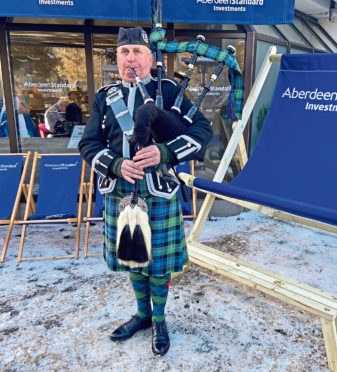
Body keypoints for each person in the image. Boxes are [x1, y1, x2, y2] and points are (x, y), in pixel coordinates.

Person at [78, 27, 212, 356]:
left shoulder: (168, 90)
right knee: (132, 259)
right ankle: (142, 314)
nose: (130, 59)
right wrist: (114, 164)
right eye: (124, 53)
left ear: (151, 58)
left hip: (159, 190)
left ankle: (160, 319)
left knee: (159, 264)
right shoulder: (104, 96)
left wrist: (165, 153)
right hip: (120, 190)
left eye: (137, 52)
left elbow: (203, 131)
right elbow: (88, 144)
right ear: (117, 59)